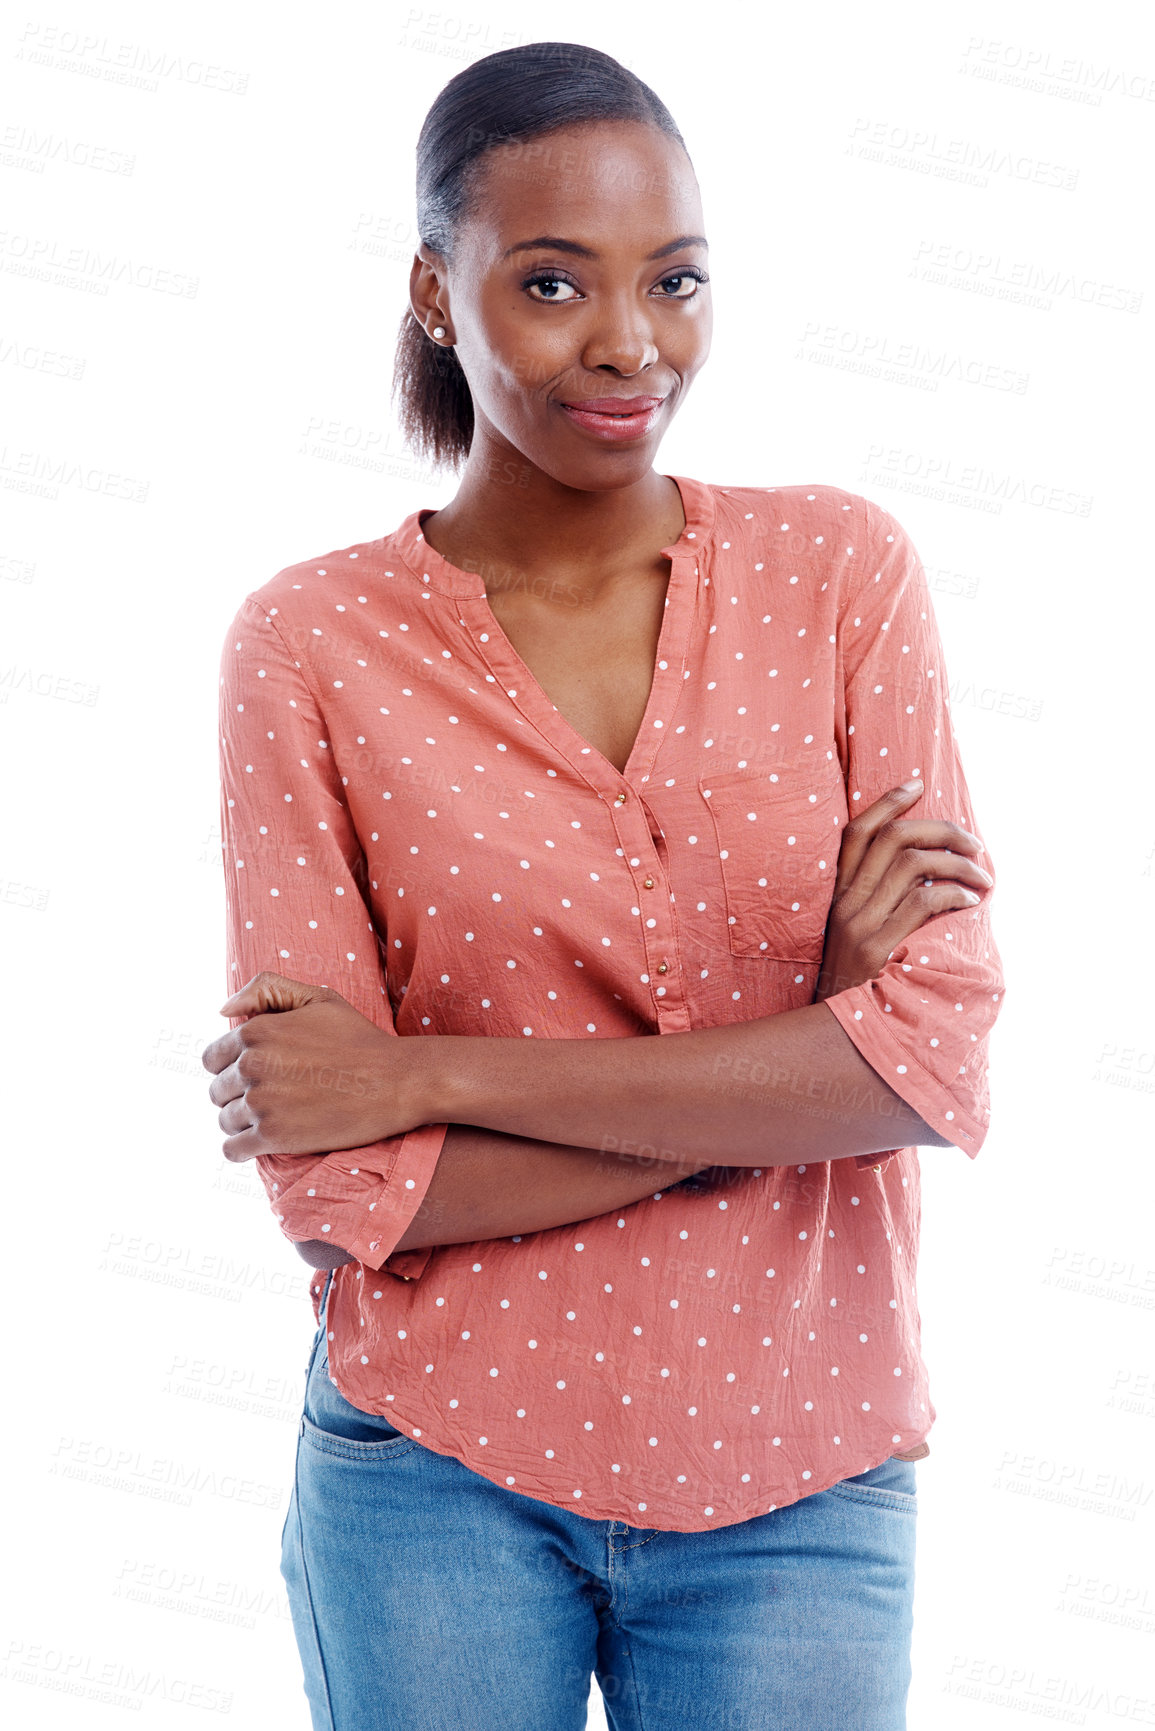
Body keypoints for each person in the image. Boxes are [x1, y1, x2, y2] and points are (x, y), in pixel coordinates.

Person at [201, 40, 1004, 1731]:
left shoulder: (839, 575)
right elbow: (345, 1194)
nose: (631, 344)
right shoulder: (312, 644)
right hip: (432, 1466)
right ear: (439, 289)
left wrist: (423, 1077)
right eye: (553, 282)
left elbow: (925, 1063)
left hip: (804, 1465)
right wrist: (800, 1067)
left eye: (676, 281)